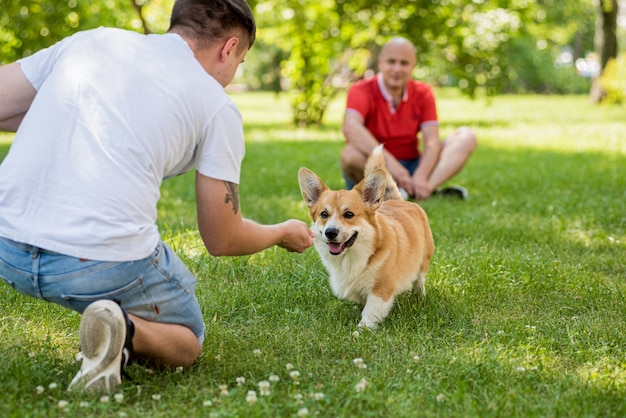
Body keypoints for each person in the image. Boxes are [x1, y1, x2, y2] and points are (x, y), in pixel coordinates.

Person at [0, 0, 314, 393]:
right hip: (97, 263)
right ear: (229, 48)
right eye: (241, 61)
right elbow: (222, 238)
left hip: (7, 249)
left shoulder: (90, 43)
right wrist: (281, 231)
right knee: (187, 338)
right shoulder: (216, 105)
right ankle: (122, 325)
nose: (233, 74)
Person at [341, 37, 477, 200]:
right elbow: (350, 127)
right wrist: (392, 165)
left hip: (413, 164)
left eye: (404, 63)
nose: (397, 69)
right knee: (350, 154)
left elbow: (432, 142)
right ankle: (391, 192)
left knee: (466, 136)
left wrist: (421, 175)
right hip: (375, 168)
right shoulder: (360, 90)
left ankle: (423, 189)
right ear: (381, 63)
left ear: (413, 66)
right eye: (391, 62)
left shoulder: (423, 92)